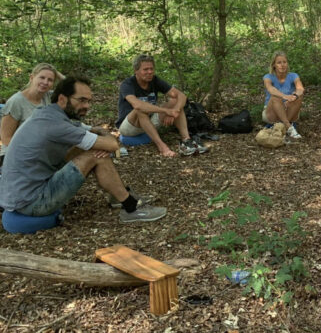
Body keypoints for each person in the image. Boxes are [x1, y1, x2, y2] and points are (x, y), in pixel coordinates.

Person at [0, 76, 166, 223]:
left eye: (88, 101)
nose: (86, 106)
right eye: (81, 100)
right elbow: (113, 145)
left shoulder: (49, 114)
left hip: (21, 195)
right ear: (63, 99)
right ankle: (131, 208)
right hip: (30, 202)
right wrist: (103, 139)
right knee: (96, 154)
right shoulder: (56, 124)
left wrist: (100, 134)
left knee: (88, 148)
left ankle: (118, 196)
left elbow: (91, 130)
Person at [117, 54, 208, 157]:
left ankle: (186, 141)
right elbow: (137, 105)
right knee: (140, 109)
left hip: (149, 121)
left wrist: (175, 110)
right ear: (136, 70)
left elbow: (181, 95)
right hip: (129, 126)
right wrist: (166, 111)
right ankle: (162, 147)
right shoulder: (127, 84)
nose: (150, 72)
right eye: (145, 69)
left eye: (151, 69)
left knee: (175, 101)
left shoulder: (154, 80)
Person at [1, 63, 64, 163]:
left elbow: (73, 88)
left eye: (50, 80)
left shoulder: (49, 97)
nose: (45, 82)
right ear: (32, 78)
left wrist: (55, 72)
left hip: (41, 153)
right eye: (42, 77)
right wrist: (32, 152)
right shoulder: (16, 102)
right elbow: (6, 138)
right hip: (14, 156)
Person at [262, 51, 304, 140]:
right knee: (275, 97)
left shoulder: (293, 76)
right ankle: (289, 126)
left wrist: (295, 96)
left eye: (284, 62)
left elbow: (300, 88)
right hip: (272, 111)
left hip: (289, 110)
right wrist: (284, 96)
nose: (282, 65)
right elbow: (271, 89)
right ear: (274, 65)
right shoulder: (268, 77)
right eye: (279, 62)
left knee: (299, 97)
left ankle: (281, 126)